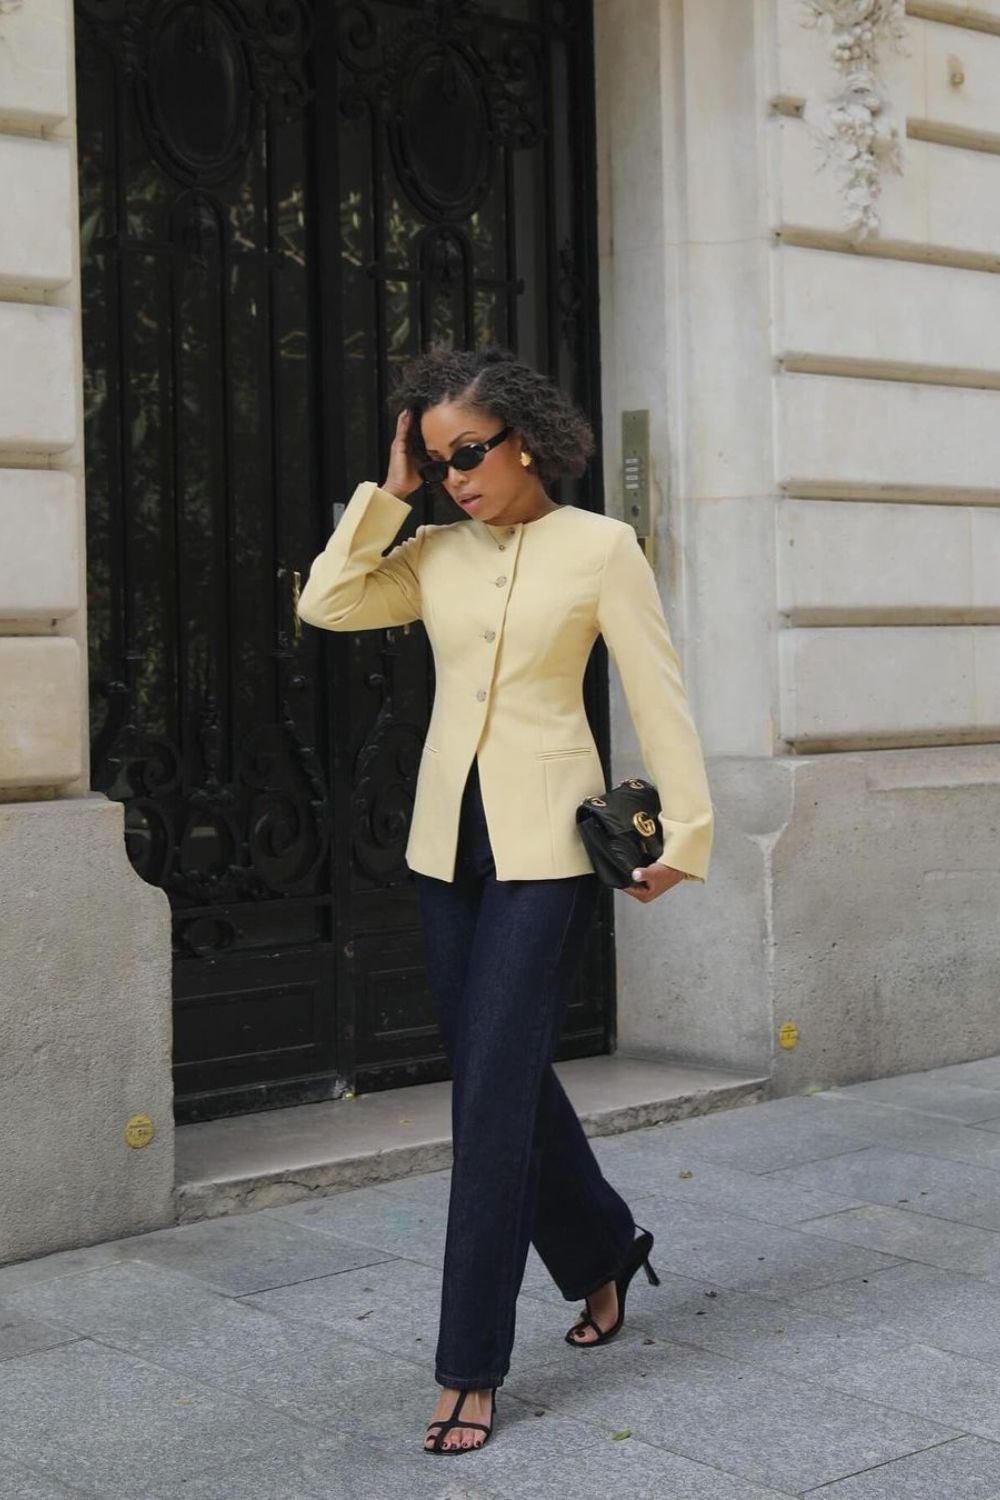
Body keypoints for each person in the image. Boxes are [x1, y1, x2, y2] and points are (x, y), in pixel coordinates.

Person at [297, 346, 714, 1455]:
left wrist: (687, 831)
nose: (456, 476)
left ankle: (467, 1365)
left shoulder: (600, 547)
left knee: (486, 1100)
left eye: (468, 452)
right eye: (438, 462)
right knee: (503, 1073)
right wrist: (386, 498)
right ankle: (605, 1250)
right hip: (448, 847)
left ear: (523, 436)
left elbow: (655, 690)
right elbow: (327, 600)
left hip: (545, 851)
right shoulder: (429, 550)